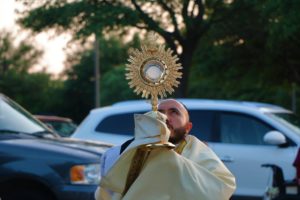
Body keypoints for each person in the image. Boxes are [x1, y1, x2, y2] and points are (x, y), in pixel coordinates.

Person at [95, 99, 236, 200]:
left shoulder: (201, 154)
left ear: (188, 127)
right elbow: (107, 193)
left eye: (174, 112)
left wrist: (168, 159)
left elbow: (221, 190)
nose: (165, 117)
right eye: (159, 112)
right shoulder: (122, 153)